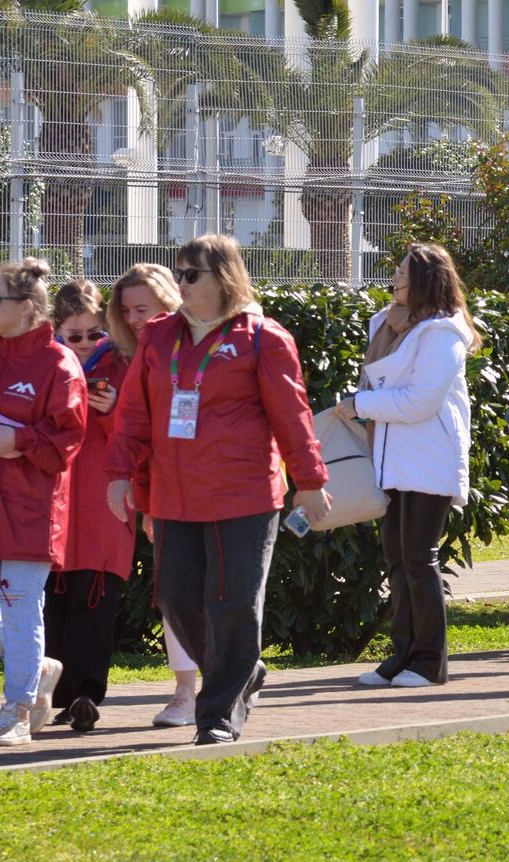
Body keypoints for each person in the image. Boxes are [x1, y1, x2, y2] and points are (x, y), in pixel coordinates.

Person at [106, 236, 329, 745]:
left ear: (223, 277)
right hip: (175, 495)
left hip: (243, 495)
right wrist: (120, 475)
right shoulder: (161, 337)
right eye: (178, 273)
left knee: (231, 602)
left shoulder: (263, 337)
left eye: (191, 275)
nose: (180, 284)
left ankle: (219, 713)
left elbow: (291, 417)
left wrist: (310, 480)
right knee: (177, 598)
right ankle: (241, 671)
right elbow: (134, 415)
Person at [341, 245, 480, 689]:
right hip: (395, 457)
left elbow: (421, 400)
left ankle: (429, 661)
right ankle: (401, 656)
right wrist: (365, 403)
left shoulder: (441, 333)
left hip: (429, 459)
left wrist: (361, 404)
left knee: (419, 558)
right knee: (397, 560)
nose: (394, 283)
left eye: (401, 276)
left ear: (421, 283)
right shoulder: (393, 325)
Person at [0, 259, 85, 747]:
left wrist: (17, 439)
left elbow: (69, 438)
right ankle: (38, 667)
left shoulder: (59, 363)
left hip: (29, 510)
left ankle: (18, 712)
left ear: (24, 309)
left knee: (22, 612)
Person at [105, 263, 201, 727]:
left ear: (171, 301)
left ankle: (238, 669)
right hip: (164, 492)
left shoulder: (211, 345)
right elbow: (137, 435)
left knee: (225, 594)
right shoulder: (123, 355)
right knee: (173, 594)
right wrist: (144, 498)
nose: (135, 319)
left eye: (143, 308)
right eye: (125, 311)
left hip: (222, 488)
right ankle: (185, 693)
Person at [44, 279, 130, 732]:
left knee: (94, 601)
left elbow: (139, 431)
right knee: (53, 604)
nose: (83, 344)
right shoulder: (48, 366)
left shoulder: (120, 366)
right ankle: (60, 694)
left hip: (102, 504)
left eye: (94, 334)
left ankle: (87, 693)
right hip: (54, 502)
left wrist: (114, 408)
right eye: (72, 336)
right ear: (56, 332)